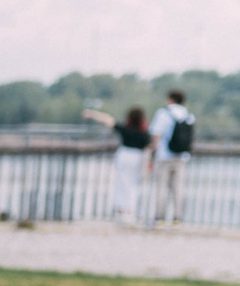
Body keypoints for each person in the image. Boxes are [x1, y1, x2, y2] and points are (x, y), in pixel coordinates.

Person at [82, 106, 153, 224]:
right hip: (137, 158)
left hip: (124, 156)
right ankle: (129, 211)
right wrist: (147, 166)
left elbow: (108, 119)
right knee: (133, 184)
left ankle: (119, 211)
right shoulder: (145, 133)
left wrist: (91, 114)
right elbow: (148, 150)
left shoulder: (125, 128)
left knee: (121, 183)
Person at [148, 89, 196, 227]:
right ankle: (177, 218)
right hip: (181, 157)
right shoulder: (188, 115)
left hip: (164, 156)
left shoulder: (164, 113)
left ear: (170, 99)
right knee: (178, 188)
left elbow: (156, 133)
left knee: (161, 187)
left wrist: (153, 151)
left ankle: (159, 218)